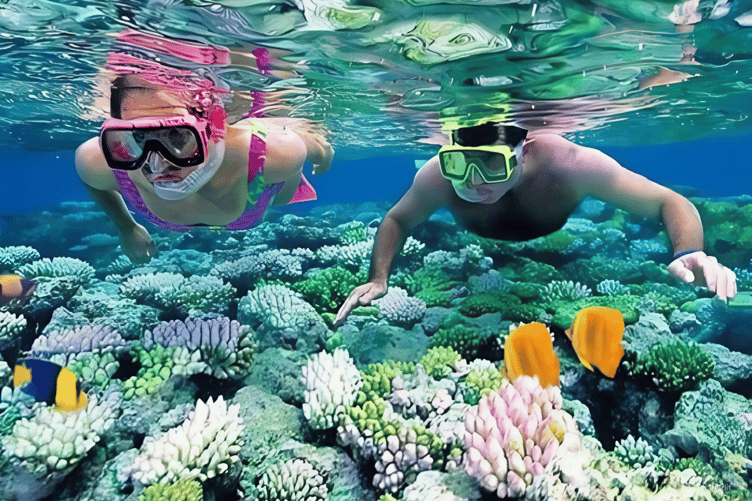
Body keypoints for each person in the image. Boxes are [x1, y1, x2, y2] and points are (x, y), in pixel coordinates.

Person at [335, 122, 737, 326]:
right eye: (459, 164)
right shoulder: (437, 177)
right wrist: (379, 278)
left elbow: (670, 200)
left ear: (522, 153)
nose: (474, 182)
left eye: (493, 163)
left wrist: (690, 252)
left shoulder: (570, 165)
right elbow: (397, 219)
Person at [76, 32, 333, 264]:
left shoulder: (275, 155)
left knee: (285, 178)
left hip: (258, 183)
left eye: (176, 136)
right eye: (137, 138)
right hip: (244, 194)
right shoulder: (99, 160)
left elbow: (312, 149)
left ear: (215, 129)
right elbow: (92, 181)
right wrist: (126, 227)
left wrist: (320, 153)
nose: (157, 164)